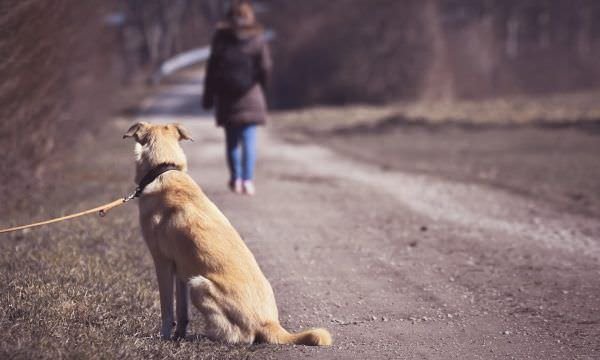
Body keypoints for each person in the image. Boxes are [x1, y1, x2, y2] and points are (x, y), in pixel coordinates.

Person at [202, 0, 272, 196]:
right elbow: (265, 67)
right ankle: (248, 180)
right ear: (250, 16)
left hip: (227, 98)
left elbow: (212, 69)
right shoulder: (257, 38)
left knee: (232, 142)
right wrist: (263, 88)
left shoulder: (220, 38)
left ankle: (236, 179)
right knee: (249, 141)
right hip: (251, 95)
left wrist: (208, 96)